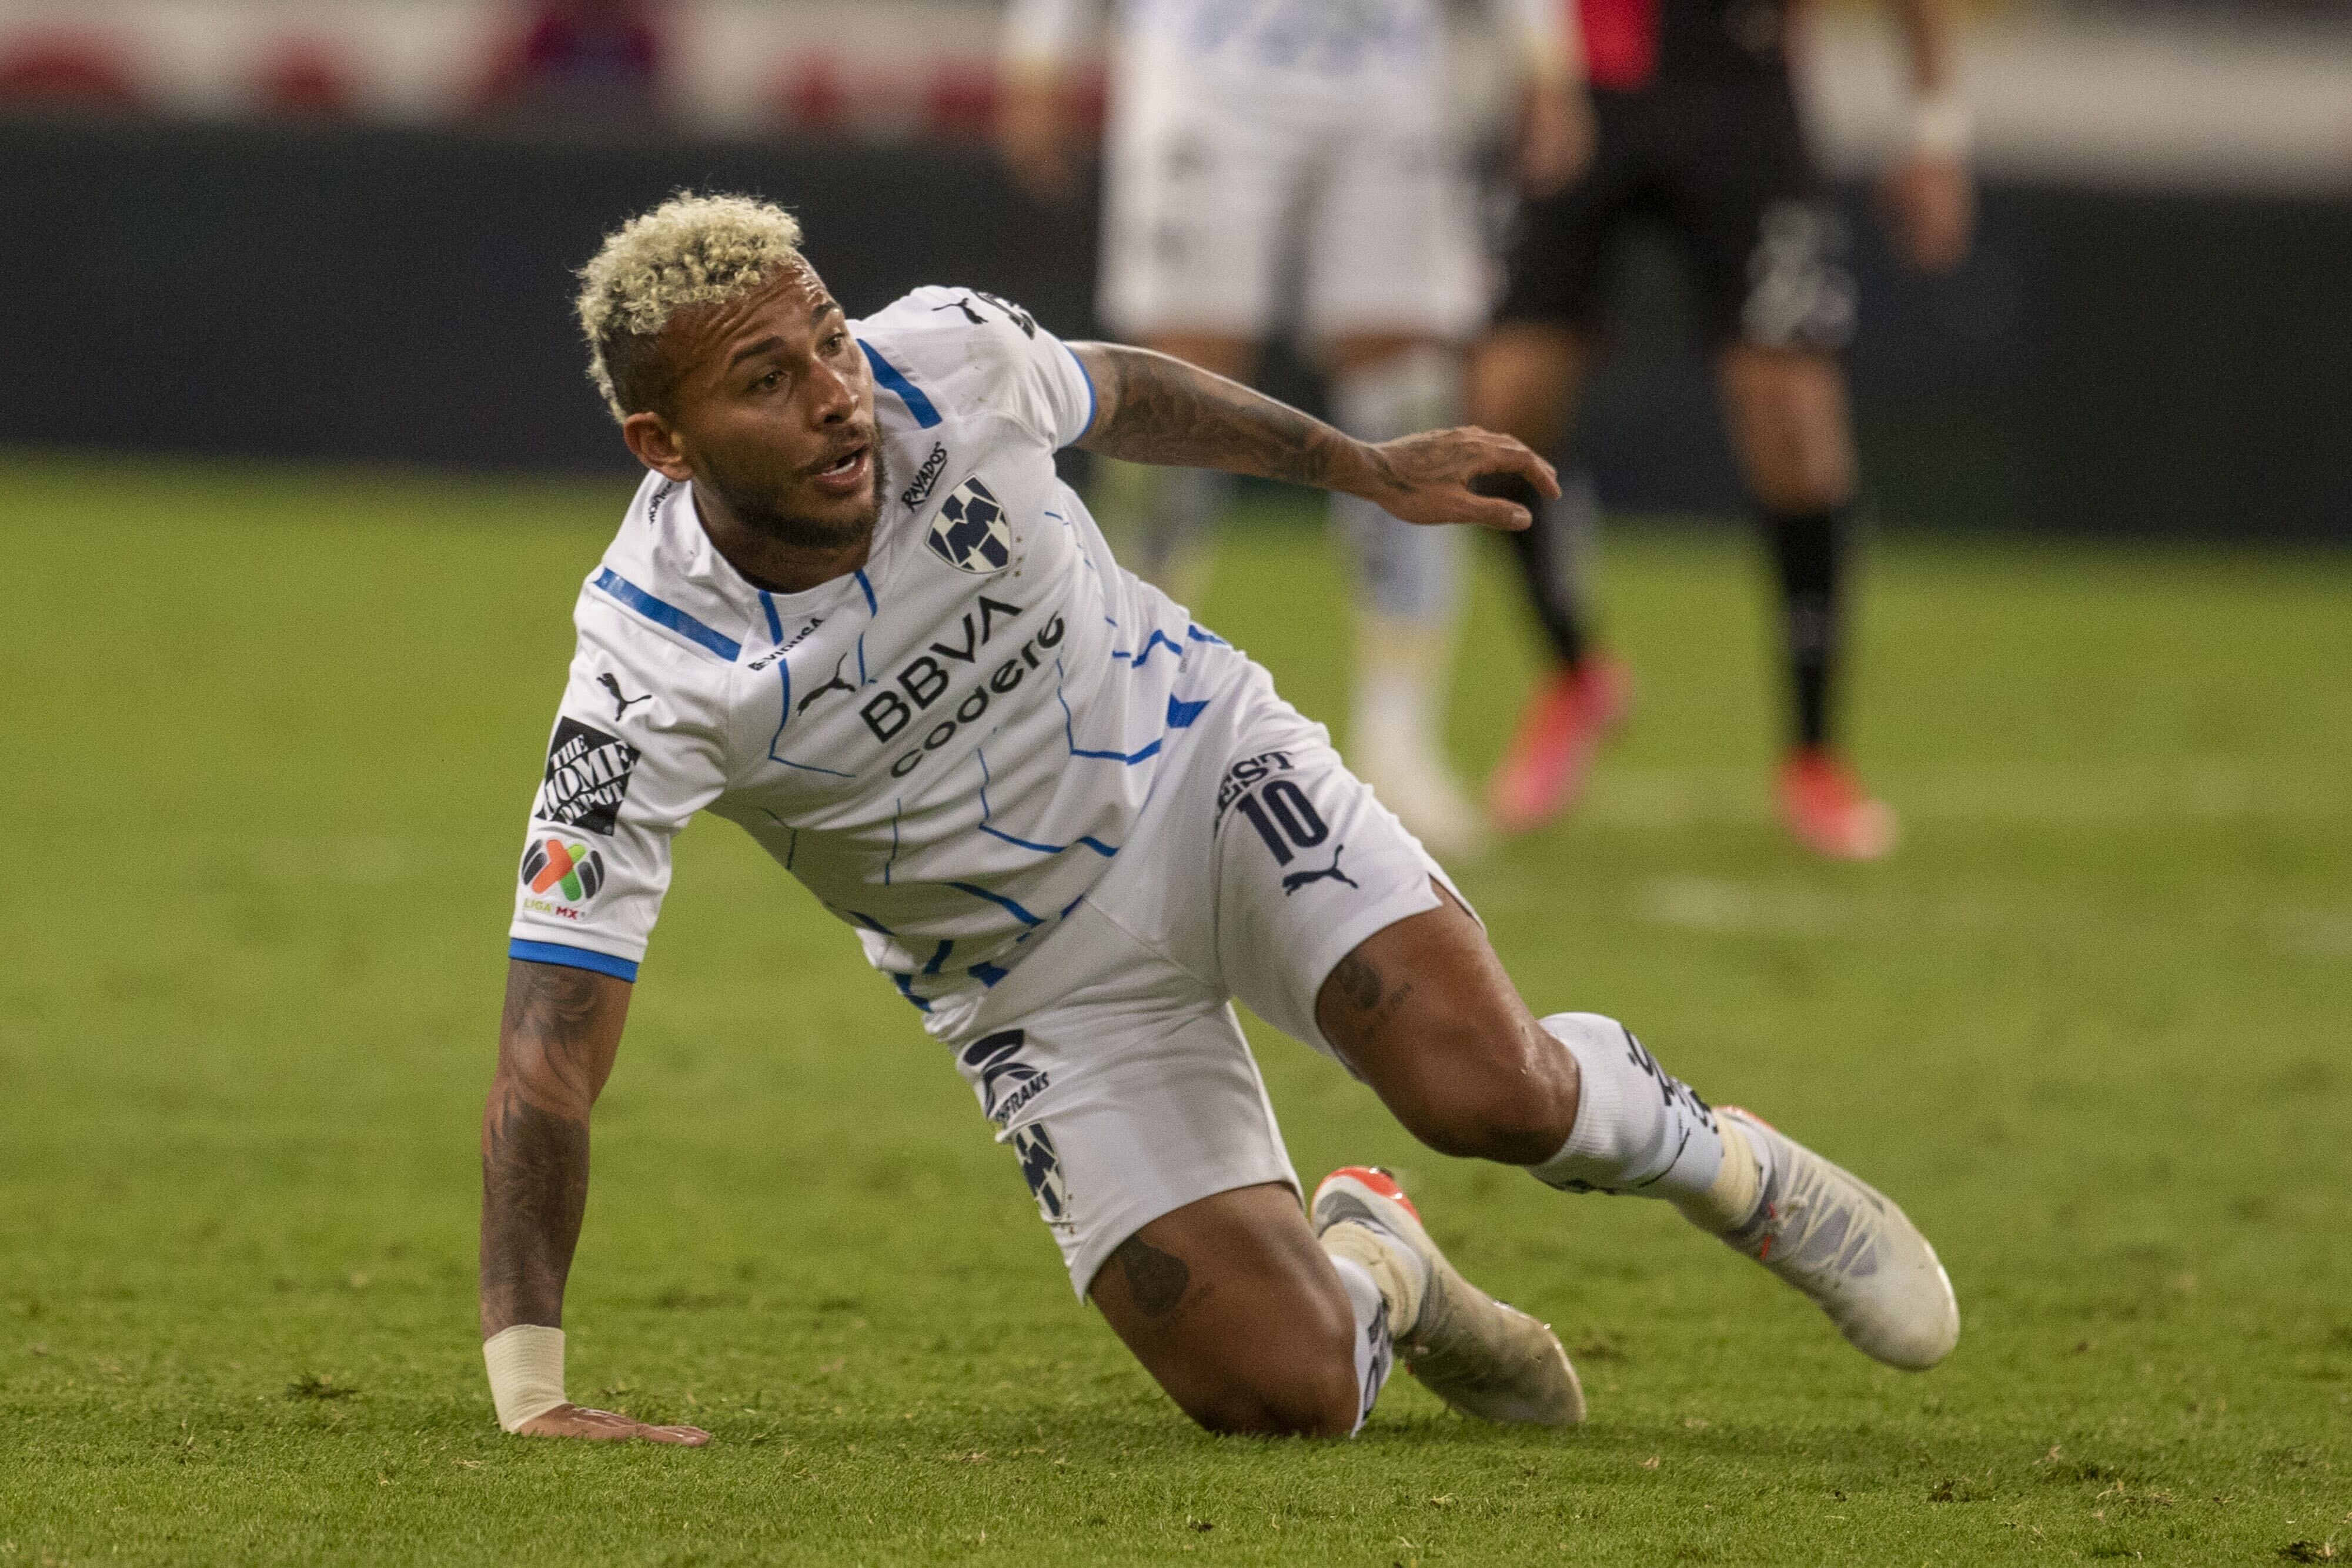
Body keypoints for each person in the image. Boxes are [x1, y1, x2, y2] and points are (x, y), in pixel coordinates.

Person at [478, 193, 1958, 1445]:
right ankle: (1387, 1270)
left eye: (827, 339)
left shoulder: (947, 360)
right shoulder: (643, 678)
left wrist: (1362, 468)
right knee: (1288, 1394)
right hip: (1029, 989)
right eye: (767, 379)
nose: (832, 393)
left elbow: (1119, 389)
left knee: (1489, 1093)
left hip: (1205, 777)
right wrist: (531, 1389)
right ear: (664, 445)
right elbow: (550, 1044)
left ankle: (1731, 1168)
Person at [995, 0, 1593, 860]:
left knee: (1407, 390)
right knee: (1173, 387)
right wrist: (1040, 51)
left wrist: (1544, 55)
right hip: (1205, 66)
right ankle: (1118, 721)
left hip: (1386, 73)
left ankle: (1400, 741)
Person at [1470, 0, 1975, 857]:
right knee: (1501, 407)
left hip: (1740, 86)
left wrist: (1934, 133)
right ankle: (1575, 674)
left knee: (1794, 422)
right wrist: (1536, 60)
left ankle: (1814, 756)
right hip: (1588, 74)